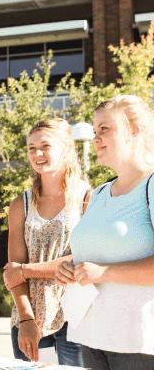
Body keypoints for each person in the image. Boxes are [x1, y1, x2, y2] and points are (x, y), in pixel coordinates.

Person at [58, 95, 154, 368]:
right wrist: (68, 267)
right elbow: (92, 255)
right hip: (91, 337)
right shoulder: (98, 194)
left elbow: (103, 266)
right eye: (94, 130)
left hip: (138, 343)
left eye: (105, 129)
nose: (95, 137)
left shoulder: (151, 186)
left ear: (134, 131)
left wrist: (105, 272)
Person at [0, 119, 89, 365]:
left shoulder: (87, 198)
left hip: (77, 317)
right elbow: (12, 272)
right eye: (31, 148)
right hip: (30, 319)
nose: (37, 153)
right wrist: (27, 319)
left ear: (66, 148)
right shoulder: (21, 205)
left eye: (45, 146)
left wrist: (26, 270)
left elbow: (83, 260)